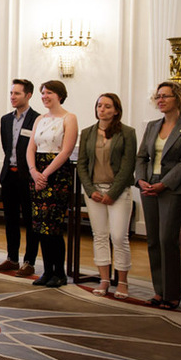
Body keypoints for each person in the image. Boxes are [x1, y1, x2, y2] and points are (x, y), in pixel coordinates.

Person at [135, 81, 181, 310]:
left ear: (177, 98)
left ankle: (172, 295)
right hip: (148, 186)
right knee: (153, 241)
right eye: (158, 96)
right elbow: (142, 157)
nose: (160, 100)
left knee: (167, 240)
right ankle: (159, 292)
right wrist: (140, 180)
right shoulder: (152, 126)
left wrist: (164, 184)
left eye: (165, 96)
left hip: (172, 189)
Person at [77, 93, 137, 299]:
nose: (102, 109)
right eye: (99, 106)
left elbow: (129, 166)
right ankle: (103, 280)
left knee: (119, 237)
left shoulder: (128, 133)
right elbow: (82, 165)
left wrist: (112, 193)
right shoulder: (87, 133)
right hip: (94, 191)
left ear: (116, 111)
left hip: (118, 192)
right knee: (100, 236)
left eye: (107, 106)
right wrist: (90, 189)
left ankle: (122, 282)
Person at [26, 80, 78, 288]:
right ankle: (47, 271)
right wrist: (34, 172)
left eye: (49, 93)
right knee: (39, 226)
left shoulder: (69, 118)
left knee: (52, 226)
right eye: (43, 93)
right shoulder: (39, 119)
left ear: (60, 95)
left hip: (57, 174)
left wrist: (45, 175)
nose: (45, 96)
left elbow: (66, 151)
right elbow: (31, 147)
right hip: (37, 172)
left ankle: (59, 273)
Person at [0, 79, 40, 276]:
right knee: (10, 219)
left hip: (27, 177)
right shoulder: (5, 119)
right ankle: (12, 258)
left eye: (17, 93)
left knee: (30, 220)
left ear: (28, 95)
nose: (12, 97)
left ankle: (29, 261)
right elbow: (7, 147)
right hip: (8, 175)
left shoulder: (38, 119)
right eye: (11, 93)